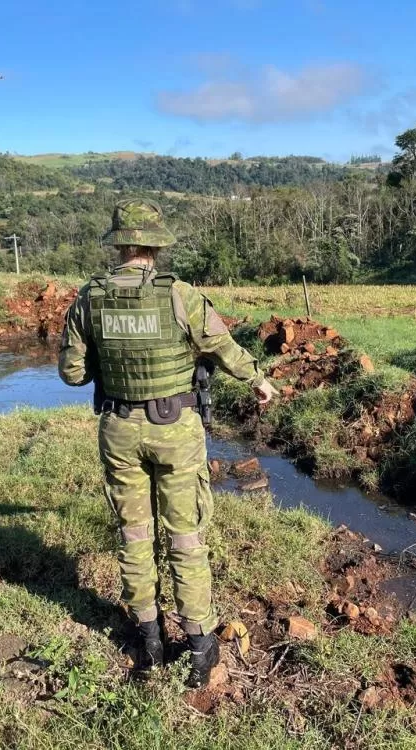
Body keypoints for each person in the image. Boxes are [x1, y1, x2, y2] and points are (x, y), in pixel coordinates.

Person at [58, 199, 276, 687]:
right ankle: (199, 647)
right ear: (155, 244)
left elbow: (72, 374)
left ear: (119, 243)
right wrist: (258, 380)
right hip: (175, 428)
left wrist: (109, 368)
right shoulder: (181, 295)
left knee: (134, 532)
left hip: (117, 427)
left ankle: (150, 639)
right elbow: (223, 348)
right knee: (185, 536)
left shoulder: (89, 298)